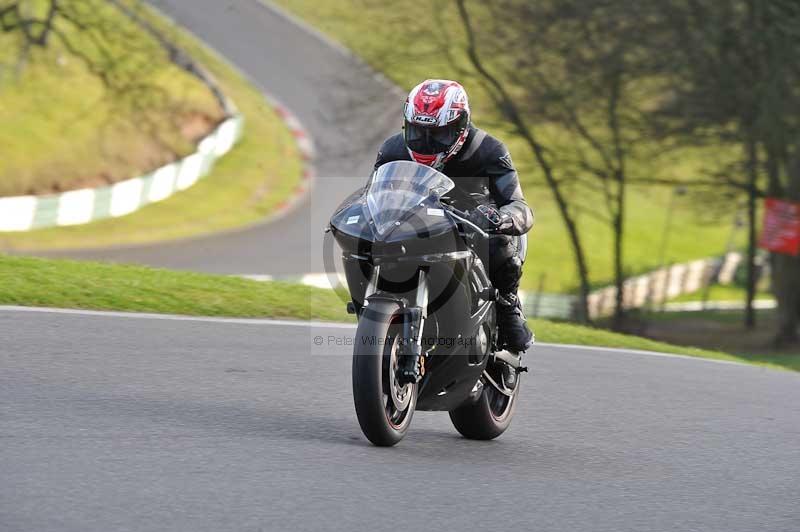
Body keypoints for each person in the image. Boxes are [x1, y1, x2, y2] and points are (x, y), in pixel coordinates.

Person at [373, 79, 534, 353]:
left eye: (437, 135)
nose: (425, 143)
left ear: (461, 126)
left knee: (499, 245)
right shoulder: (393, 150)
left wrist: (501, 218)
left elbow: (519, 205)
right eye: (418, 133)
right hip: (417, 226)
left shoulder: (490, 150)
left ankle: (508, 307)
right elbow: (373, 197)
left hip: (474, 229)